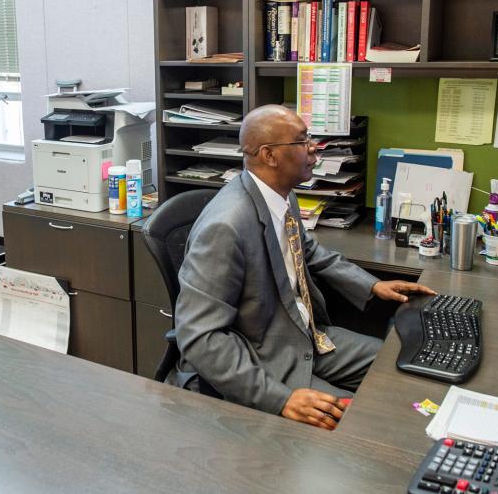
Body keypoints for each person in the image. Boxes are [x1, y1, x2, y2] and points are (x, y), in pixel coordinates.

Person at [173, 105, 435, 430]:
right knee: (360, 424)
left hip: (307, 337)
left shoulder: (281, 196)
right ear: (269, 155)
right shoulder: (226, 226)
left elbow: (306, 250)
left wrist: (371, 285)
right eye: (302, 141)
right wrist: (280, 399)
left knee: (402, 366)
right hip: (264, 357)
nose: (314, 147)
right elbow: (199, 337)